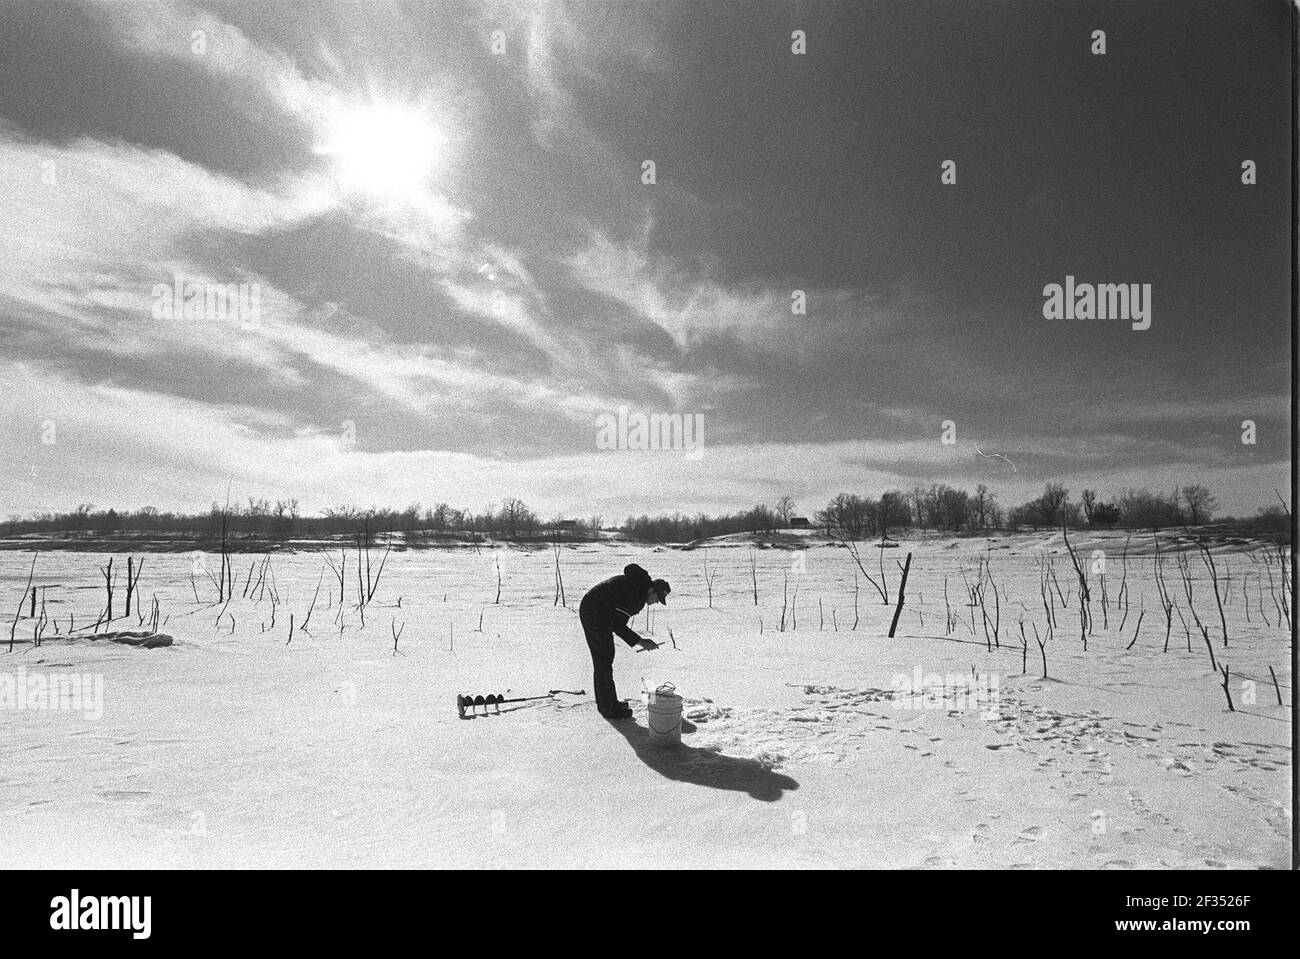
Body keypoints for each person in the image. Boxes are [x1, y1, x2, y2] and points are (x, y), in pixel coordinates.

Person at [578, 564, 672, 719]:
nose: (656, 603)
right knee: (603, 658)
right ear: (652, 590)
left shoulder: (638, 587)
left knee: (605, 657)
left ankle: (609, 703)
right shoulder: (635, 595)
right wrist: (642, 641)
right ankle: (608, 708)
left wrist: (640, 641)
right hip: (594, 612)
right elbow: (617, 625)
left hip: (596, 610)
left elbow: (616, 620)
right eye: (658, 598)